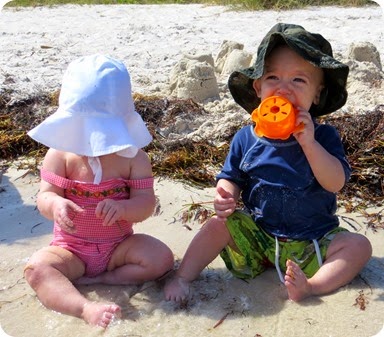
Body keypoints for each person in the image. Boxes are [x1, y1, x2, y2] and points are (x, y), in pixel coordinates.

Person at [164, 23, 372, 303]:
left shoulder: (323, 136)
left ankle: (312, 285)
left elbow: (335, 182)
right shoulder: (245, 138)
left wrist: (309, 144)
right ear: (258, 87)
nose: (284, 90)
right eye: (273, 78)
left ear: (318, 94)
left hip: (314, 241)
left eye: (299, 81)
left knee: (358, 246)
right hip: (259, 237)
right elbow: (231, 176)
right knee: (217, 225)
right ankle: (182, 277)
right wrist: (225, 194)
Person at [25, 54, 174, 328]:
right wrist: (56, 204)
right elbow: (44, 196)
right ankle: (83, 307)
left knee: (162, 258)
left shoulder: (133, 157)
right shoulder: (60, 155)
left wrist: (124, 208)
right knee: (38, 269)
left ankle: (107, 278)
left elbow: (146, 203)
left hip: (119, 247)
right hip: (70, 249)